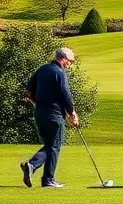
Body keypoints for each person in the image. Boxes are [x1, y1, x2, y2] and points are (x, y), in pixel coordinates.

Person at [20, 47, 79, 189]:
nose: (69, 65)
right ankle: (44, 177)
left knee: (49, 145)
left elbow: (28, 92)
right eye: (69, 61)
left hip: (40, 114)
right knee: (54, 147)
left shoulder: (42, 69)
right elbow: (66, 95)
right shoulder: (59, 72)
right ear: (62, 58)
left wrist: (37, 104)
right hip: (54, 115)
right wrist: (72, 113)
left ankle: (35, 169)